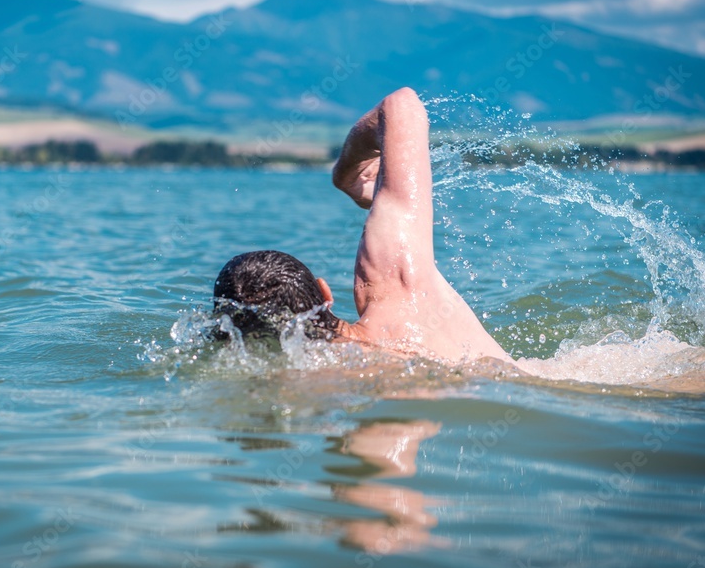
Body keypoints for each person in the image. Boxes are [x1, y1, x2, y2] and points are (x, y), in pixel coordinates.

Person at [213, 87, 511, 363]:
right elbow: (402, 105)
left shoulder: (304, 386)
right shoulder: (402, 294)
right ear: (325, 294)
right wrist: (346, 177)